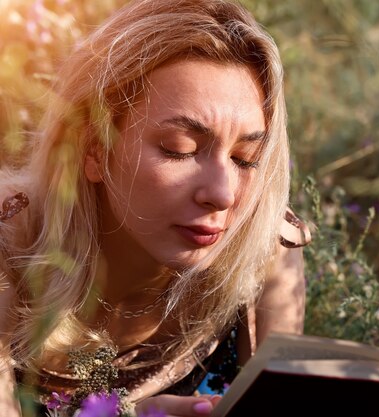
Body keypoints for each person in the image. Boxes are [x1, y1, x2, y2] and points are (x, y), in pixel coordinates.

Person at [0, 0, 311, 415]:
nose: (222, 194)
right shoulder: (10, 251)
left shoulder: (263, 246)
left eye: (245, 158)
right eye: (179, 149)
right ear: (92, 147)